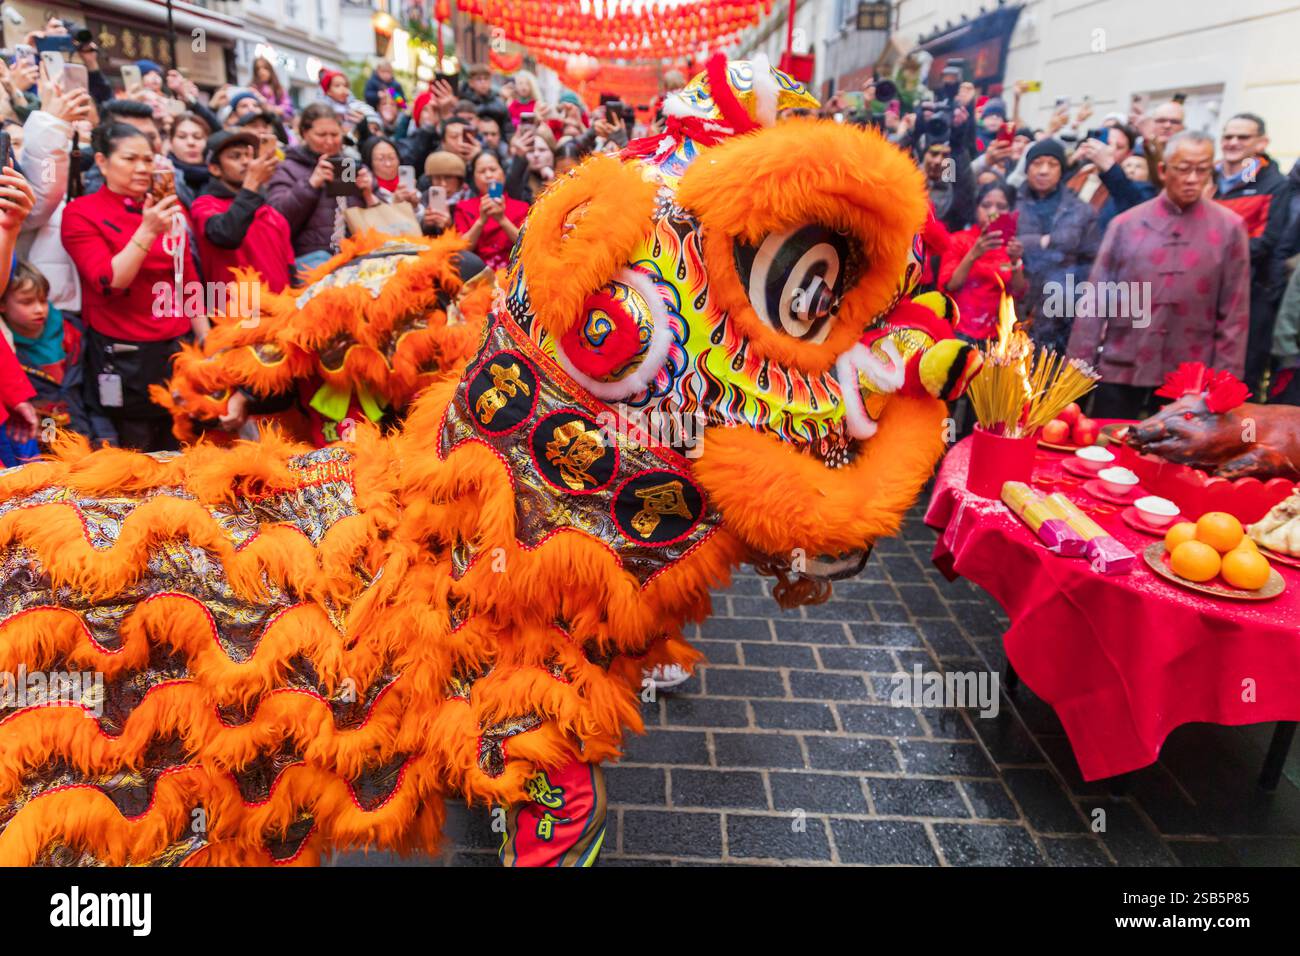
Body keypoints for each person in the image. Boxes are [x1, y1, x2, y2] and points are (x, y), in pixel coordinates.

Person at [1067, 131, 1250, 420]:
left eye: (1201, 170)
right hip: (1122, 362)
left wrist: (1224, 385)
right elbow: (1095, 302)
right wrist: (1076, 372)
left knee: (1178, 462)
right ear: (1164, 170)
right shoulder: (1125, 224)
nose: (1192, 179)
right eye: (1183, 169)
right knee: (1110, 451)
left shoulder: (1229, 228)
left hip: (1191, 374)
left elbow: (1235, 315)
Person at [61, 122, 202, 451]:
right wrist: (148, 230)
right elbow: (110, 281)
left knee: (183, 444)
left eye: (148, 159)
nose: (142, 168)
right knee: (136, 452)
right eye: (130, 159)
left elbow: (187, 280)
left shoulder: (170, 209)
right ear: (102, 161)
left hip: (176, 348)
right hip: (123, 355)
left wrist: (208, 341)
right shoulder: (81, 213)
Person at [1213, 112, 1294, 395]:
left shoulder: (1272, 183)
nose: (1233, 142)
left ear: (1262, 143)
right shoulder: (1206, 176)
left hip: (1249, 291)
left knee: (1237, 375)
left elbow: (1266, 241)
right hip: (1202, 292)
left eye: (1243, 137)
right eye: (1228, 136)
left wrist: (1210, 255)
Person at [266, 102, 377, 278]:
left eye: (335, 134)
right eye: (321, 135)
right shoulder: (288, 168)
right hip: (311, 263)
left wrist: (368, 193)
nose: (329, 141)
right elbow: (276, 220)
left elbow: (377, 220)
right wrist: (310, 184)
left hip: (354, 260)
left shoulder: (350, 165)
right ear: (304, 134)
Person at [1016, 138, 1100, 353]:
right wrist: (1038, 242)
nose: (1043, 171)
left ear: (1061, 170)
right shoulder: (1009, 201)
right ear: (1027, 168)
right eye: (1037, 163)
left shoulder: (1081, 210)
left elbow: (1091, 260)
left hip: (1062, 308)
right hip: (1016, 302)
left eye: (1052, 164)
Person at [191, 129, 293, 293]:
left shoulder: (272, 214)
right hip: (233, 314)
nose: (247, 162)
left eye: (249, 155)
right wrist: (252, 184)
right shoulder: (204, 206)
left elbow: (290, 270)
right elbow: (227, 235)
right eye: (235, 156)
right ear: (215, 169)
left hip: (282, 311)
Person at [1, 261, 90, 442]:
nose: (39, 309)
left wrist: (106, 437)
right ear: (2, 304)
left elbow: (93, 394)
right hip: (41, 443)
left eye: (43, 300)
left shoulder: (73, 332)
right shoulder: (9, 353)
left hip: (86, 435)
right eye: (27, 302)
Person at [940, 181, 1027, 341]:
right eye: (986, 205)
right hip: (956, 331)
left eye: (1001, 207)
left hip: (995, 337)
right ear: (976, 209)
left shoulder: (1010, 246)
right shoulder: (958, 240)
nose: (993, 212)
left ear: (1010, 212)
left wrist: (1015, 262)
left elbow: (1019, 292)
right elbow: (950, 285)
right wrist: (974, 254)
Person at [453, 151, 527, 271]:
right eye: (482, 171)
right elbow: (461, 250)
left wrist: (502, 220)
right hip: (477, 275)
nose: (488, 175)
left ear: (503, 173)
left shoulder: (521, 207)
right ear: (474, 178)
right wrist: (481, 221)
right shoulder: (464, 207)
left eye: (493, 169)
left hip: (512, 273)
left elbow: (527, 245)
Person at [168, 112, 213, 198]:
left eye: (197, 137)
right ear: (170, 142)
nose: (190, 142)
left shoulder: (222, 178)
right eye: (182, 136)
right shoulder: (162, 179)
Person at [464, 63, 510, 133]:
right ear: (471, 83)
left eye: (486, 79)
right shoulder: (465, 102)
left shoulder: (499, 102)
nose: (483, 82)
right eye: (478, 79)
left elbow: (507, 127)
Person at [251, 56, 292, 121]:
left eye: (264, 68)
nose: (261, 71)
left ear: (270, 70)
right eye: (258, 69)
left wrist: (269, 108)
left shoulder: (279, 89)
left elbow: (288, 111)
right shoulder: (252, 89)